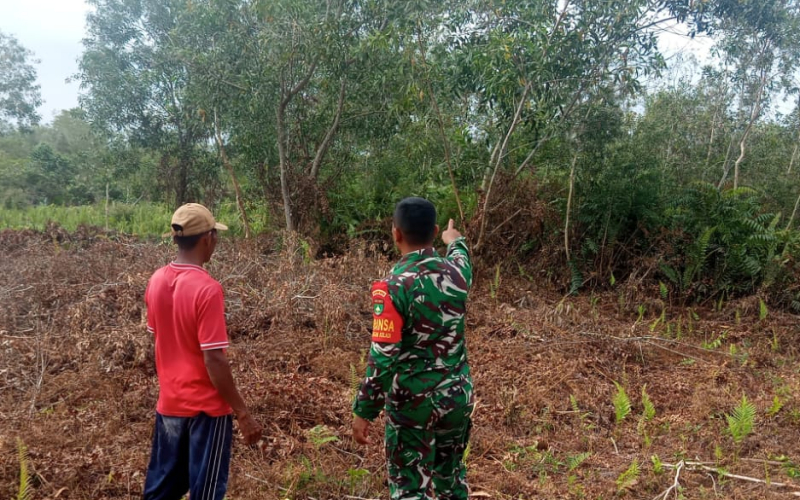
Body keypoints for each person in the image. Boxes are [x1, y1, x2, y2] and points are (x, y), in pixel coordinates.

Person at [352, 197, 475, 500]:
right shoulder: (458, 275)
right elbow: (461, 253)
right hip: (456, 398)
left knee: (409, 488)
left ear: (395, 234)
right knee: (451, 479)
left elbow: (383, 358)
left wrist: (364, 410)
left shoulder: (393, 288)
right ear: (434, 231)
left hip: (412, 405)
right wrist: (454, 238)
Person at [142, 203, 262, 500]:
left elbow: (160, 339)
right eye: (215, 236)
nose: (216, 242)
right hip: (206, 411)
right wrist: (243, 412)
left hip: (169, 405)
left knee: (160, 491)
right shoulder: (207, 289)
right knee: (206, 492)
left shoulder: (156, 281)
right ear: (207, 238)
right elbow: (214, 358)